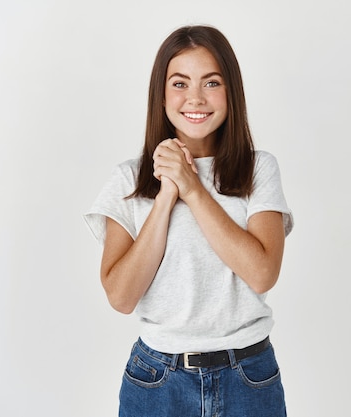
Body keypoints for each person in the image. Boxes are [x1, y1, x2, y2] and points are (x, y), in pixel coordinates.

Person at [84, 24, 293, 417]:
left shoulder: (258, 170)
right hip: (157, 381)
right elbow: (121, 296)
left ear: (231, 91)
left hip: (249, 377)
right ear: (161, 94)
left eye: (211, 82)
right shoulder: (128, 179)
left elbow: (263, 273)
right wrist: (166, 195)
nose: (195, 98)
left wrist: (194, 191)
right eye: (180, 83)